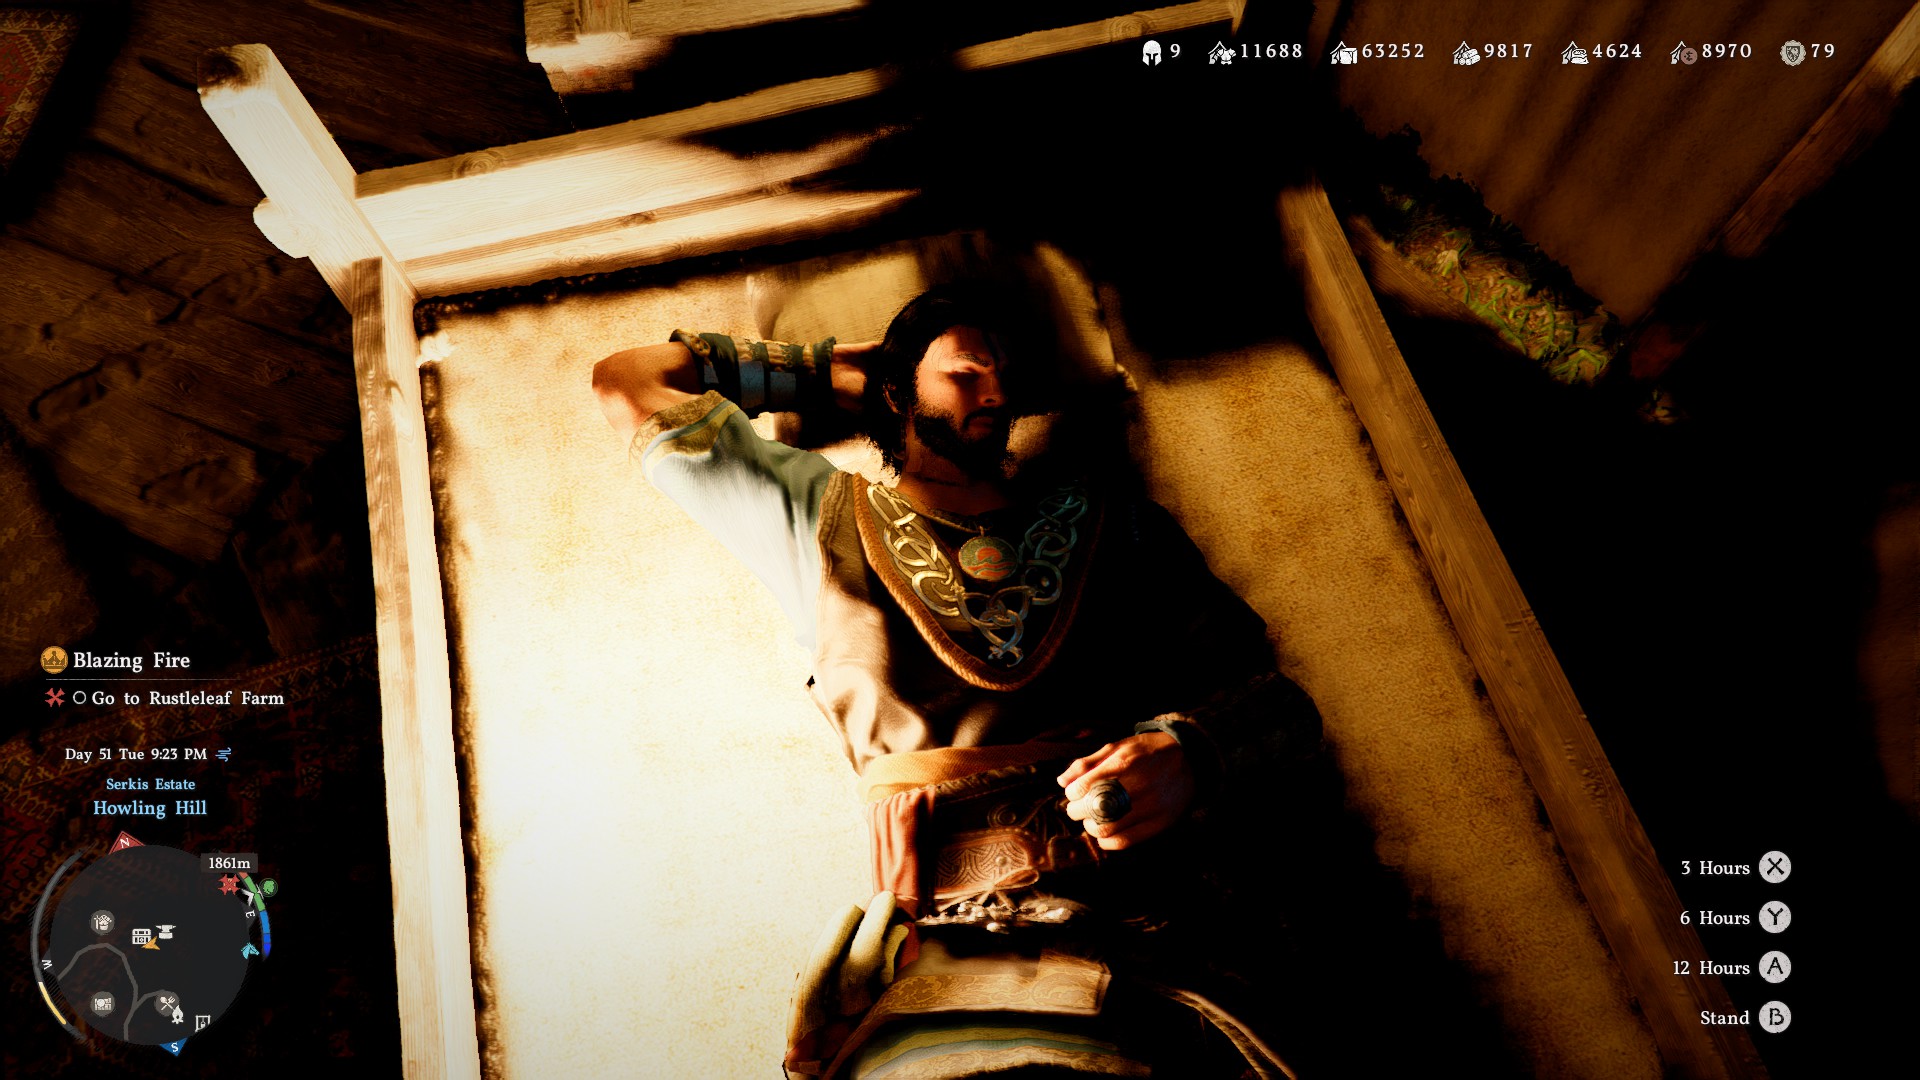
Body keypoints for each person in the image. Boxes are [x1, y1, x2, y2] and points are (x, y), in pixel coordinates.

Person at [593, 283, 1322, 1077]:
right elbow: (628, 382)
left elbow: (1279, 705)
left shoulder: (1115, 521)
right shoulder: (817, 517)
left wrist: (1188, 753)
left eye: (1006, 374)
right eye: (967, 373)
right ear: (898, 393)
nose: (996, 394)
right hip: (934, 943)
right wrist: (824, 370)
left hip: (1146, 935)